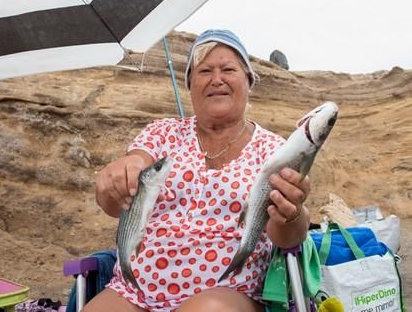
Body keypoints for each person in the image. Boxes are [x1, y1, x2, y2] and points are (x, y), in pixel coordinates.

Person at [88, 29, 311, 312]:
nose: (216, 79)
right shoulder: (162, 133)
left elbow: (288, 238)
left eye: (228, 69)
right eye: (205, 71)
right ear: (190, 84)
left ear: (248, 80)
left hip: (228, 290)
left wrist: (292, 215)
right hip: (135, 292)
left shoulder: (274, 151)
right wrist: (116, 179)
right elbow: (115, 196)